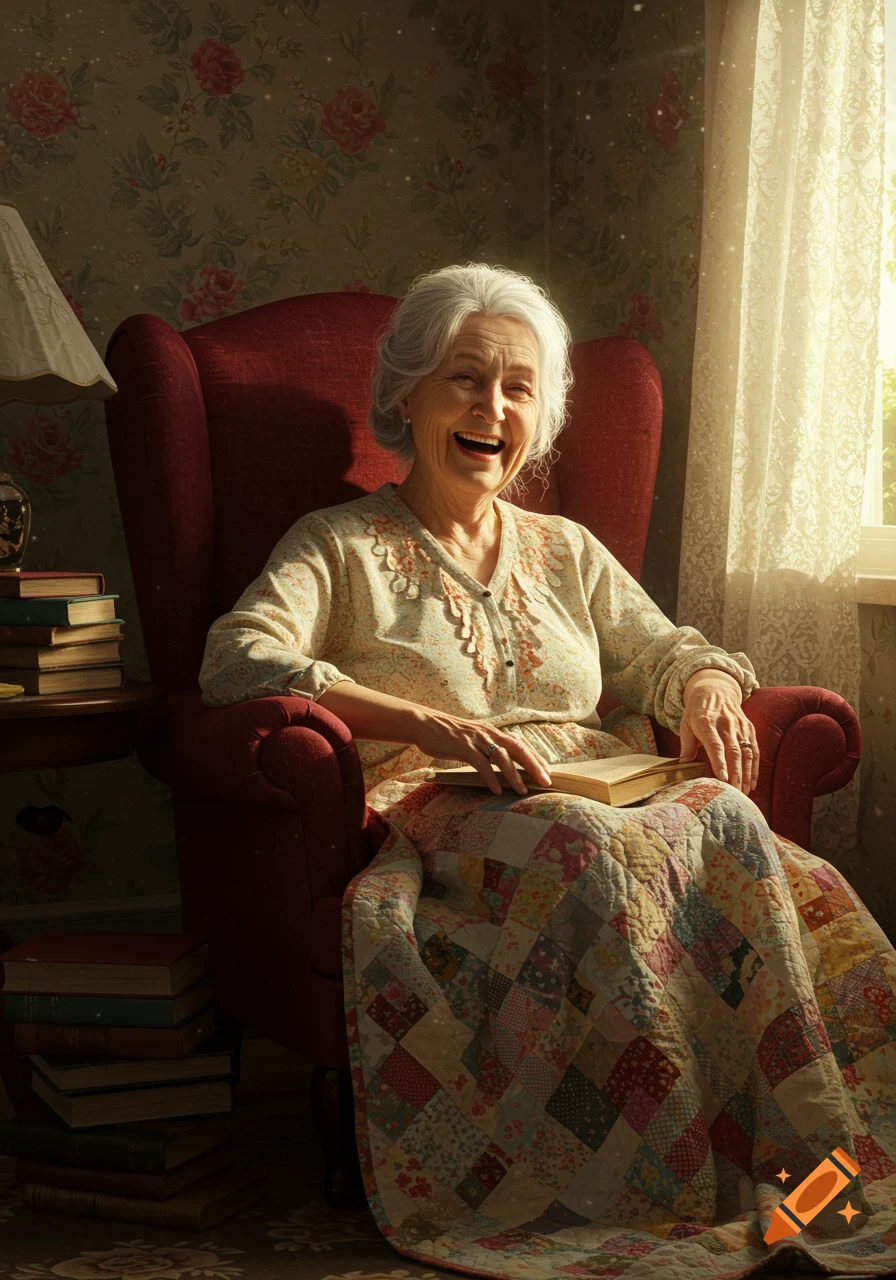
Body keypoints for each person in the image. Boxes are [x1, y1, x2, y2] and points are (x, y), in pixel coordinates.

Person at [199, 264, 896, 1278]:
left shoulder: (563, 550)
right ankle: (654, 1185)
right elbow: (238, 657)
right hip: (446, 816)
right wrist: (424, 721)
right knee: (588, 847)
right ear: (405, 393)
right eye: (464, 379)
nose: (492, 407)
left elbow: (663, 648)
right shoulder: (337, 546)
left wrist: (702, 685)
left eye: (517, 386)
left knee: (726, 822)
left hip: (601, 789)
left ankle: (813, 1163)